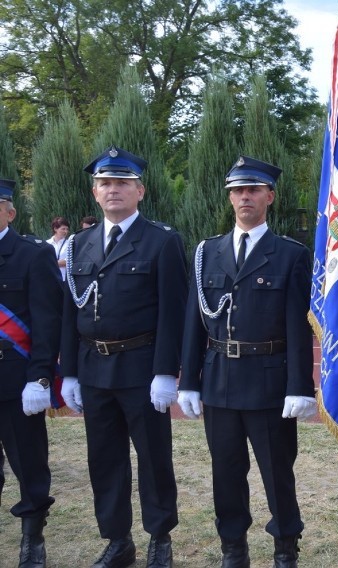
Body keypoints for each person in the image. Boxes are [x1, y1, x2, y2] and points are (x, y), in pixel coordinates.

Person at [178, 156, 316, 568]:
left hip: (270, 381)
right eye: (237, 191)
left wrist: (299, 386)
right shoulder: (207, 253)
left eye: (253, 190)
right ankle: (233, 546)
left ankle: (285, 544)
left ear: (269, 197)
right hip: (219, 380)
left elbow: (298, 326)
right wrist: (188, 379)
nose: (244, 197)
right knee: (226, 472)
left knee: (277, 473)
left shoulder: (290, 254)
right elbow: (194, 321)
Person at [60, 145, 187, 568]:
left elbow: (173, 312)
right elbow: (69, 311)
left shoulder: (162, 241)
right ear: (95, 193)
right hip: (94, 368)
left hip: (141, 368)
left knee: (153, 457)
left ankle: (159, 538)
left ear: (140, 191)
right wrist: (69, 373)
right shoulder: (78, 244)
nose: (113, 190)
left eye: (121, 183)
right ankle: (117, 540)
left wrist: (166, 372)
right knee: (104, 459)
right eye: (105, 183)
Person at [0, 178, 63, 567]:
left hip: (14, 380)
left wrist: (39, 377)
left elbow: (46, 320)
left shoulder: (30, 254)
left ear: (9, 211)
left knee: (29, 464)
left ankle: (32, 538)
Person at [46, 216, 70, 281]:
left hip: (65, 279)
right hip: (50, 279)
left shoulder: (69, 243)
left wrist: (50, 263)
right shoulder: (47, 243)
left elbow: (69, 261)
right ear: (55, 229)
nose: (66, 231)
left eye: (67, 229)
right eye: (63, 229)